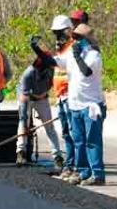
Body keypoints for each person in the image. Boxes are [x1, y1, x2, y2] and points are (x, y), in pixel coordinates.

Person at [32, 23, 106, 186]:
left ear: (87, 39)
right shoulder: (72, 54)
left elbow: (86, 72)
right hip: (75, 105)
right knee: (79, 141)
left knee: (92, 141)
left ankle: (98, 174)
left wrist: (78, 56)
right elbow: (52, 61)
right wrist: (36, 49)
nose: (76, 40)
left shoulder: (94, 55)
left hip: (91, 105)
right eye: (75, 38)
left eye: (79, 38)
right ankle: (82, 171)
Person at [16, 56, 64, 169]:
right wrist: (24, 120)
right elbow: (23, 101)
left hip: (42, 97)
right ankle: (20, 152)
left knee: (49, 126)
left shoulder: (51, 70)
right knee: (23, 124)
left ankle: (57, 157)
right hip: (27, 97)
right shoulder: (27, 75)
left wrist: (43, 93)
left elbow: (53, 83)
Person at [50, 14, 78, 178]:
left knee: (74, 132)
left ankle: (74, 164)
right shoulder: (60, 50)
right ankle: (69, 164)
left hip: (70, 96)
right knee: (66, 132)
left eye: (60, 32)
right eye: (55, 33)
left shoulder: (73, 48)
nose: (57, 36)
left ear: (69, 30)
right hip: (61, 96)